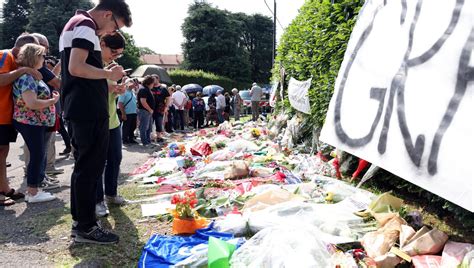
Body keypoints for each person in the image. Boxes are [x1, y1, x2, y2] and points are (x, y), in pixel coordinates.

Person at [60, 0, 132, 244]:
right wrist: (108, 74)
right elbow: (77, 68)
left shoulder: (79, 24)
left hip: (84, 107)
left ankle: (82, 220)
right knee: (89, 168)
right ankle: (86, 227)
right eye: (114, 27)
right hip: (87, 109)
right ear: (108, 14)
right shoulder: (85, 25)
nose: (111, 33)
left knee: (85, 168)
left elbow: (76, 70)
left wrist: (108, 82)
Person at [13, 43, 60, 203]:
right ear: (34, 57)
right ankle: (33, 192)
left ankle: (34, 189)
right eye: (41, 56)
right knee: (37, 155)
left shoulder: (30, 75)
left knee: (38, 154)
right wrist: (52, 101)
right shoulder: (27, 77)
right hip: (30, 122)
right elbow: (31, 103)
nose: (44, 59)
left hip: (34, 122)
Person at [0, 34, 40, 206]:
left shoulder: (15, 62)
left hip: (5, 116)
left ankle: (4, 188)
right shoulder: (5, 55)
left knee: (3, 152)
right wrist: (24, 70)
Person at [95, 33, 128, 218]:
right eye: (113, 52)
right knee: (98, 163)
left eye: (118, 54)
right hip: (97, 121)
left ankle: (111, 193)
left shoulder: (110, 67)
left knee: (115, 158)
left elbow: (111, 95)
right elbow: (88, 88)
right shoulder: (91, 66)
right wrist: (108, 86)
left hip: (113, 120)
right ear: (102, 44)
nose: (114, 56)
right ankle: (98, 200)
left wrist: (118, 90)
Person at [31, 33, 64, 177]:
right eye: (45, 47)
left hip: (44, 112)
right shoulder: (34, 68)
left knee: (44, 146)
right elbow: (56, 82)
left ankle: (42, 176)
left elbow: (52, 78)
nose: (47, 52)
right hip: (39, 113)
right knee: (40, 149)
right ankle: (38, 181)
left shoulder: (38, 67)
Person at [137, 76, 156, 147]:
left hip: (147, 111)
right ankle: (144, 142)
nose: (153, 85)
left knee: (149, 127)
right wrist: (150, 109)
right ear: (149, 83)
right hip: (144, 111)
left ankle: (148, 140)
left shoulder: (146, 89)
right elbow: (143, 101)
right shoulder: (143, 90)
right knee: (144, 127)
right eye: (153, 83)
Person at [151, 74, 169, 142]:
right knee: (150, 123)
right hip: (151, 108)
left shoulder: (163, 88)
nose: (153, 80)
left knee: (159, 122)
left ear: (158, 79)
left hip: (160, 108)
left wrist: (166, 106)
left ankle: (159, 136)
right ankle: (151, 136)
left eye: (154, 79)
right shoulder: (150, 87)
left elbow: (168, 97)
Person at [119, 78, 138, 144]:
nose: (134, 84)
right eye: (132, 82)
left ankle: (131, 138)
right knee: (126, 127)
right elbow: (120, 103)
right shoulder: (124, 92)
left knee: (133, 126)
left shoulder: (132, 92)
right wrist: (123, 114)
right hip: (127, 113)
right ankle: (125, 140)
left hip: (133, 112)